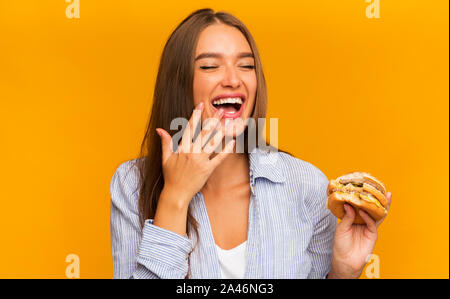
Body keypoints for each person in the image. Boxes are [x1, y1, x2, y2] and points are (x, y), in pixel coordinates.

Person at [110, 8, 392, 279]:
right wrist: (175, 196)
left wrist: (343, 273)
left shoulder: (306, 185)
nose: (234, 79)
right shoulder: (131, 184)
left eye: (246, 65)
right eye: (210, 66)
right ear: (179, 83)